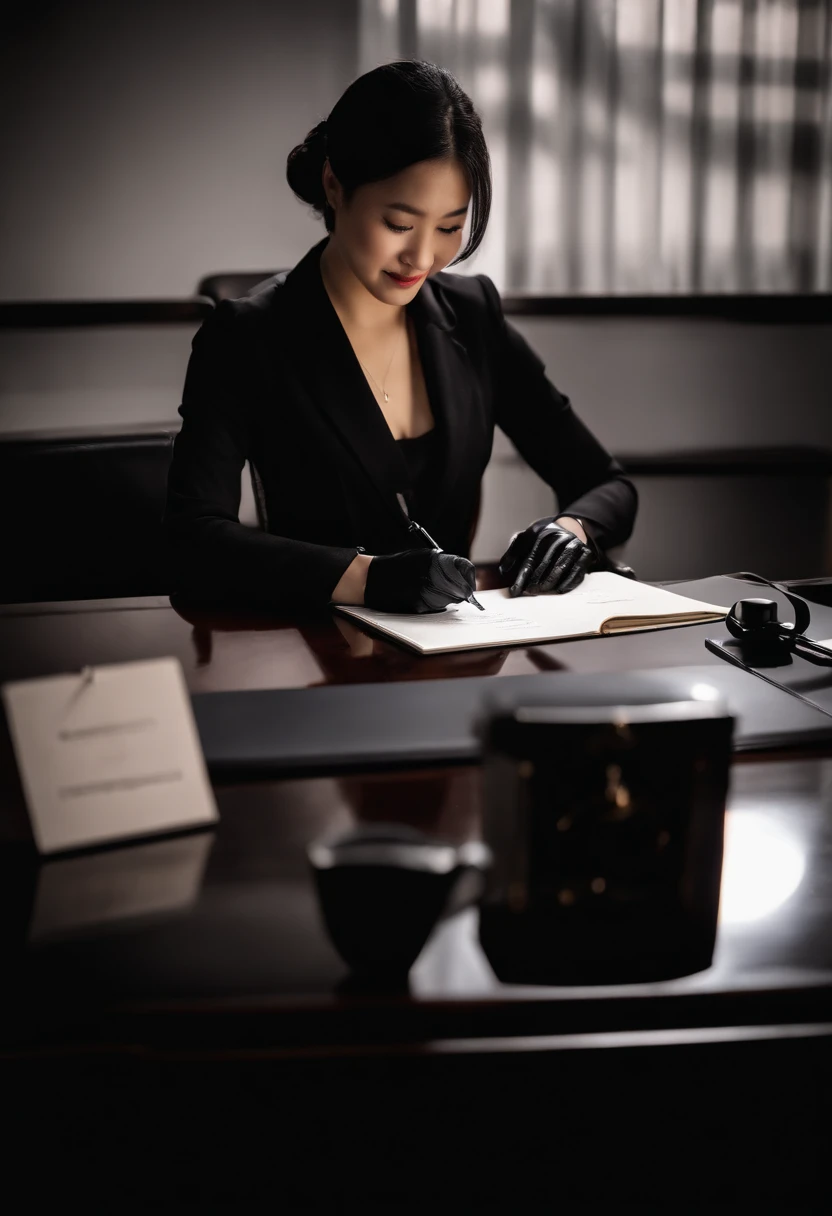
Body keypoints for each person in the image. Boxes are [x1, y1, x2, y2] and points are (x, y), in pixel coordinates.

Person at [164, 60, 637, 615]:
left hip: (460, 652)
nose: (422, 258)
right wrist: (368, 579)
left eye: (447, 227)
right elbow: (195, 540)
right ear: (334, 186)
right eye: (399, 224)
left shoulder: (473, 313)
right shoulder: (248, 336)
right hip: (314, 648)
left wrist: (572, 530)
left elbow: (606, 483)